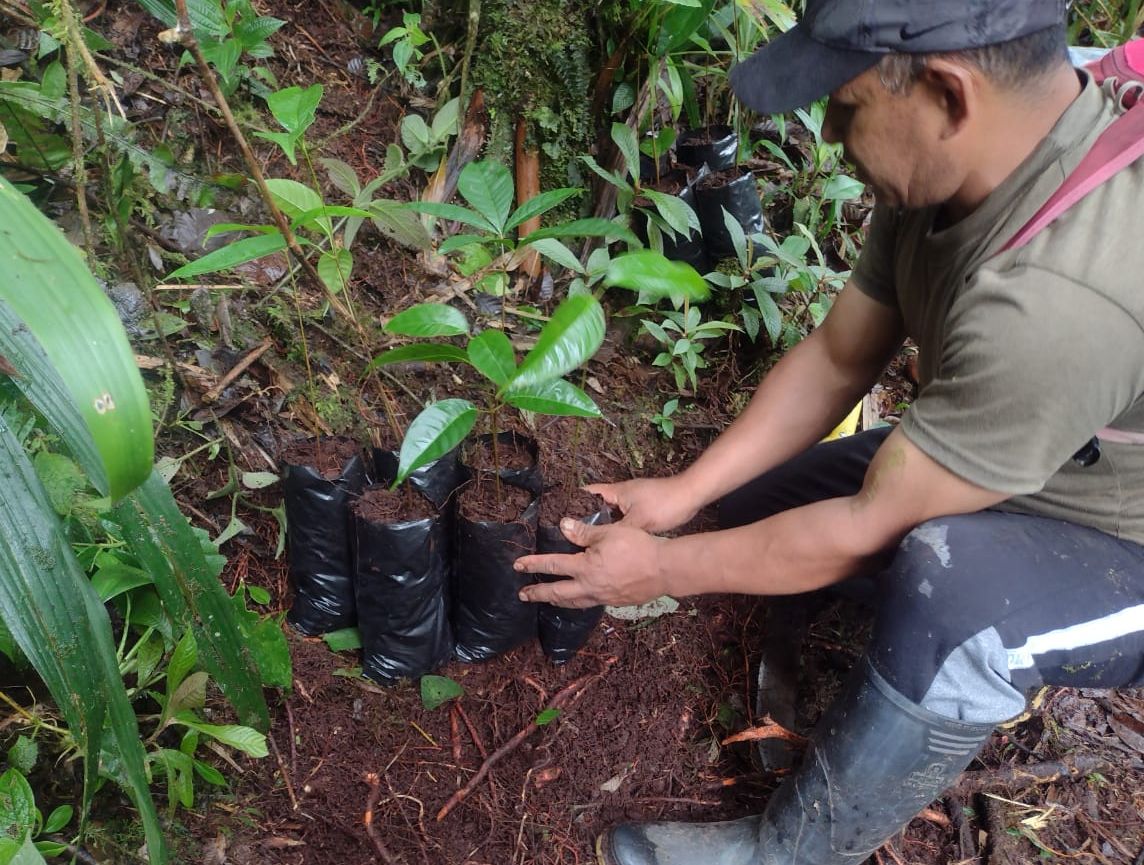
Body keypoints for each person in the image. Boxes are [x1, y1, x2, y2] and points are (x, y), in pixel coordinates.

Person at [513, 1, 1144, 863]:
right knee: (749, 509)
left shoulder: (1057, 302)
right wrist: (689, 493)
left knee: (949, 596)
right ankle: (836, 643)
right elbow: (841, 354)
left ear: (948, 95)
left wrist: (658, 569)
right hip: (1026, 452)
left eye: (844, 108)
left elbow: (863, 525)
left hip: (1119, 537)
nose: (833, 132)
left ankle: (795, 848)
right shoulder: (959, 161)